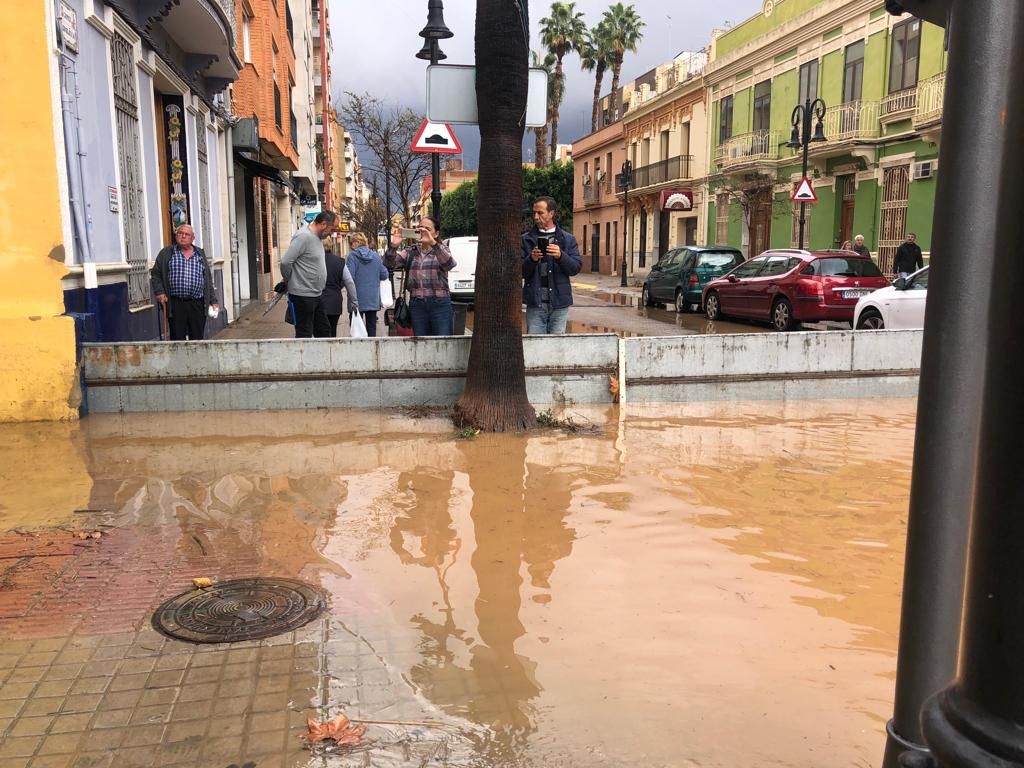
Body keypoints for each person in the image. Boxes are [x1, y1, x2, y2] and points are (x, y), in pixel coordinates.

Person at [385, 216, 457, 336]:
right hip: (417, 305)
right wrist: (394, 245)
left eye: (427, 229)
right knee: (421, 342)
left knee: (442, 340)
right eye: (420, 227)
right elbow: (389, 264)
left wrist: (433, 243)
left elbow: (449, 264)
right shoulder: (411, 251)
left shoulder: (442, 249)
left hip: (440, 304)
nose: (422, 230)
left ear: (436, 233)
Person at [521, 196, 581, 334]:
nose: (536, 217)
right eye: (534, 213)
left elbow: (575, 268)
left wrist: (561, 256)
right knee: (536, 344)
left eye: (540, 213)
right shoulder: (526, 240)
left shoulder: (567, 239)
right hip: (535, 303)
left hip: (559, 302)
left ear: (551, 213)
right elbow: (520, 271)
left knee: (557, 346)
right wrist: (532, 259)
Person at [151, 224, 219, 341]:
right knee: (177, 339)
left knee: (197, 338)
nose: (183, 236)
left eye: (186, 234)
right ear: (176, 236)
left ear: (193, 238)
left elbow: (207, 279)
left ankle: (195, 359)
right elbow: (156, 274)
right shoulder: (166, 253)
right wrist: (159, 292)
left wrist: (213, 301)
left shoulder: (200, 254)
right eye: (180, 233)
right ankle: (179, 360)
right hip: (176, 303)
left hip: (197, 303)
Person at [280, 211, 338, 338]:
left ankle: (320, 357)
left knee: (324, 331)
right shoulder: (304, 236)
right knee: (304, 333)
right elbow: (286, 262)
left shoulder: (316, 238)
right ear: (323, 224)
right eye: (332, 229)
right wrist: (288, 280)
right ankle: (305, 357)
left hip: (316, 294)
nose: (332, 233)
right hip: (303, 295)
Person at [347, 231, 390, 337]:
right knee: (371, 328)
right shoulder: (375, 256)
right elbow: (384, 275)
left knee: (357, 330)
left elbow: (349, 277)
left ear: (356, 242)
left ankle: (359, 351)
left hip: (356, 299)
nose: (351, 246)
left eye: (351, 243)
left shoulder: (352, 257)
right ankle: (372, 351)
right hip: (372, 299)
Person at [321, 241, 358, 337]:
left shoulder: (313, 261)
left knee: (319, 331)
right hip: (334, 302)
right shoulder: (339, 261)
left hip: (317, 301)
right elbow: (349, 282)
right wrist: (354, 301)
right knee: (332, 329)